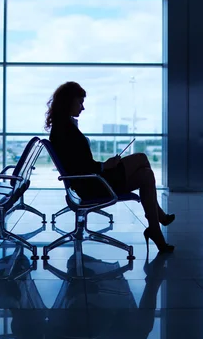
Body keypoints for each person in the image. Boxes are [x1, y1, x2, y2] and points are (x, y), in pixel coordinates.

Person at [45, 81, 174, 253]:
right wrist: (105, 165)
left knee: (146, 175)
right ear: (68, 101)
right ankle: (158, 219)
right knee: (142, 159)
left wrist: (104, 165)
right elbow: (81, 168)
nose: (83, 108)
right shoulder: (64, 130)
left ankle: (155, 228)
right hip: (92, 184)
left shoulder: (64, 127)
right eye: (80, 102)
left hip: (91, 180)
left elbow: (79, 163)